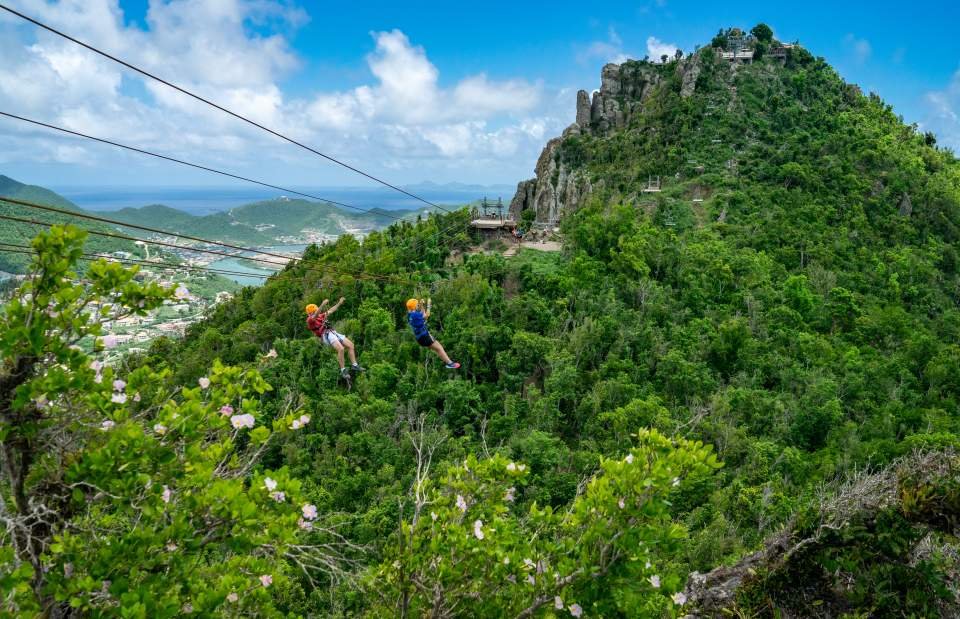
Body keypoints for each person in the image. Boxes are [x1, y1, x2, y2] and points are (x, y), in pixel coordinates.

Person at [306, 297, 364, 379]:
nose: (317, 311)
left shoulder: (320, 316)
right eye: (315, 310)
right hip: (326, 335)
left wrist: (339, 303)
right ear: (311, 312)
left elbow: (331, 310)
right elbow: (315, 316)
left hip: (333, 332)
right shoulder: (309, 320)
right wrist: (322, 304)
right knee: (341, 349)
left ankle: (354, 365)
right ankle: (343, 370)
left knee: (351, 345)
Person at [406, 298, 460, 369]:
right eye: (417, 304)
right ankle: (450, 364)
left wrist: (422, 305)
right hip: (424, 336)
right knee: (439, 348)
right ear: (414, 306)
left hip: (420, 338)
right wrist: (428, 305)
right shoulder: (415, 315)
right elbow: (426, 315)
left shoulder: (410, 315)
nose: (417, 305)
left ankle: (449, 363)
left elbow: (422, 314)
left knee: (437, 349)